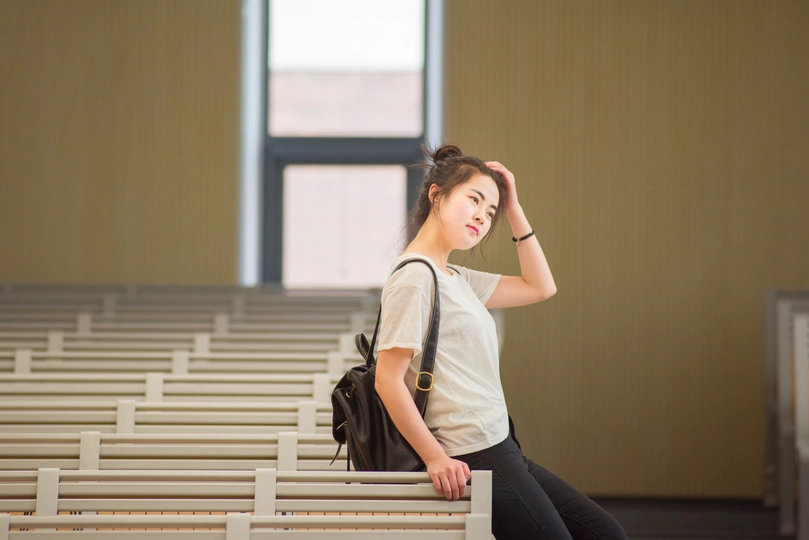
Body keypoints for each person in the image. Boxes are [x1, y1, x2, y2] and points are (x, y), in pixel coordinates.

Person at [374, 144, 627, 539]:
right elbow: (387, 380)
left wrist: (513, 210)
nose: (482, 216)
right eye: (474, 200)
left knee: (606, 534)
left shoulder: (454, 276)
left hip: (501, 443)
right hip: (472, 453)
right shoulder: (415, 278)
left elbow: (540, 286)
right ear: (436, 195)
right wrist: (435, 458)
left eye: (490, 211)